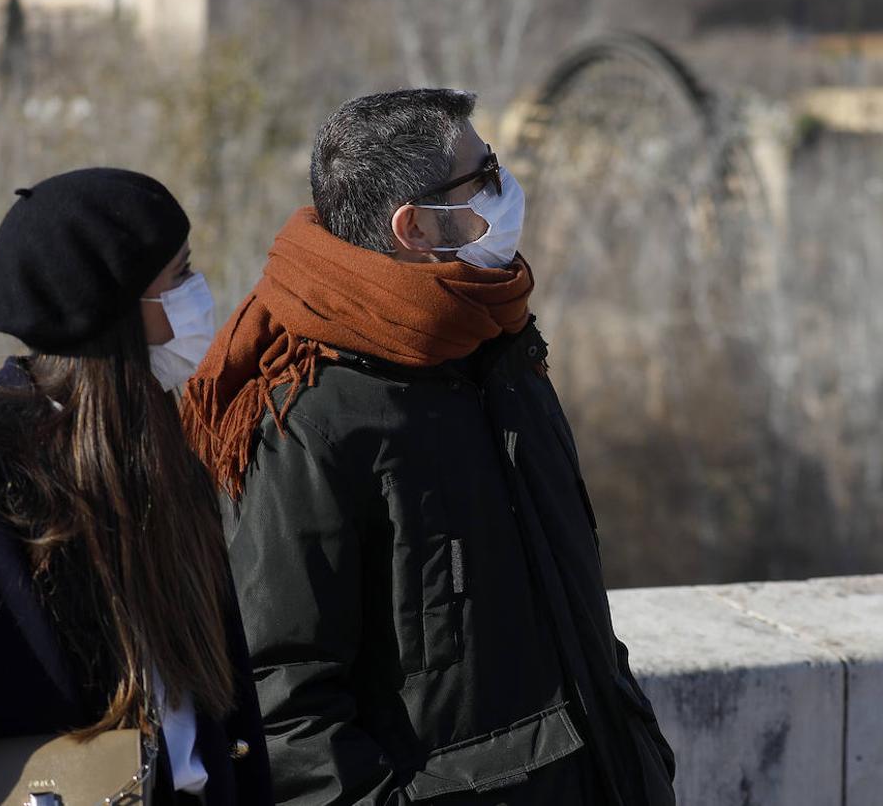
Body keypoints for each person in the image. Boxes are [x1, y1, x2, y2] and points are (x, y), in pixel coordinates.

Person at [181, 90, 676, 805]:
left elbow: (570, 599)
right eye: (484, 175)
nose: (508, 191)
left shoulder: (497, 351)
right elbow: (281, 698)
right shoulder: (307, 415)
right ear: (413, 226)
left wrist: (638, 752)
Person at [0, 168, 273, 806]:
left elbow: (224, 719)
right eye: (178, 276)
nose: (199, 293)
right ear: (116, 310)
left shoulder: (163, 459)